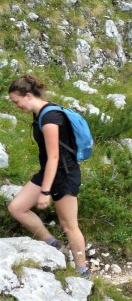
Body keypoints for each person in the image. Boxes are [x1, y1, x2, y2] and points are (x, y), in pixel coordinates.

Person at [7, 74, 90, 278]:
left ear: (27, 95)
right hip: (48, 172)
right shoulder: (42, 114)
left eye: (16, 102)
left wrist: (45, 192)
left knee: (70, 225)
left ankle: (83, 271)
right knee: (17, 208)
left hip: (64, 175)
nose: (16, 106)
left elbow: (54, 157)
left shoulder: (51, 118)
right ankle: (53, 244)